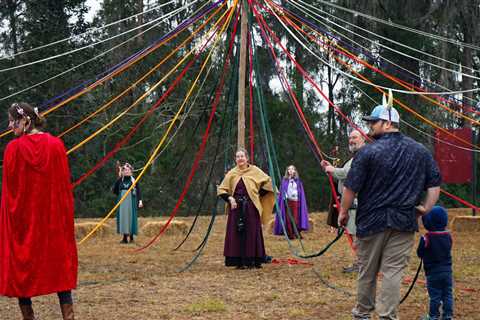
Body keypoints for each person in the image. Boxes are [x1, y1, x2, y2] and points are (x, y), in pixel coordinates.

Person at [338, 94, 442, 320]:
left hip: (371, 222)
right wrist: (425, 208)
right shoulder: (420, 151)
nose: (369, 127)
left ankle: (363, 314)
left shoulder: (367, 152)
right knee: (393, 272)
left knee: (367, 271)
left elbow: (350, 188)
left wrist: (343, 212)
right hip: (404, 221)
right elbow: (435, 184)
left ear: (386, 123)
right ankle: (387, 316)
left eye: (373, 122)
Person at [0, 102, 78, 320]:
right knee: (58, 266)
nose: (9, 125)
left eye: (12, 120)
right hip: (52, 224)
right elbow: (64, 192)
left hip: (25, 225)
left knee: (23, 268)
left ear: (26, 121)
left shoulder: (13, 150)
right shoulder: (56, 145)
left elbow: (10, 196)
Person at [217, 148, 275, 268]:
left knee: (251, 232)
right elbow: (221, 189)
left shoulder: (255, 171)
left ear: (247, 158)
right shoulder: (232, 173)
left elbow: (269, 183)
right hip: (236, 208)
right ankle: (238, 261)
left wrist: (257, 196)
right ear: (235, 159)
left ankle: (252, 260)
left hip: (251, 207)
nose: (240, 159)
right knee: (237, 234)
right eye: (238, 157)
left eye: (242, 156)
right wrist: (230, 198)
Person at [321, 129, 366, 273]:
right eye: (350, 138)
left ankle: (362, 264)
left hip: (358, 204)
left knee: (357, 235)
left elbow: (349, 174)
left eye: (355, 137)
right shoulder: (355, 158)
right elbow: (343, 176)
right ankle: (361, 263)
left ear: (363, 139)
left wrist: (333, 170)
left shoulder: (363, 156)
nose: (351, 140)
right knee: (354, 235)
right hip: (352, 204)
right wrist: (330, 169)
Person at [417, 206, 453, 320]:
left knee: (435, 296)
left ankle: (433, 316)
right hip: (447, 272)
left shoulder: (426, 238)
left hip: (433, 273)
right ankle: (448, 315)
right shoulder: (448, 236)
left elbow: (420, 253)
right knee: (447, 294)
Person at [273, 165, 309, 239]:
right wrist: (284, 195)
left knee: (295, 218)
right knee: (288, 218)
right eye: (289, 169)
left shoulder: (298, 181)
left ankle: (296, 232)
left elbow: (300, 192)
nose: (291, 170)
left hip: (296, 201)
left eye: (292, 169)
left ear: (295, 171)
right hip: (287, 202)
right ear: (287, 171)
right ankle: (290, 234)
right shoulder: (284, 180)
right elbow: (282, 190)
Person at [113, 162, 143, 243]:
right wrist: (118, 179)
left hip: (131, 201)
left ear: (131, 171)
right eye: (124, 170)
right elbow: (115, 191)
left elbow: (138, 191)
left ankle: (132, 237)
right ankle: (125, 238)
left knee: (131, 218)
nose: (126, 171)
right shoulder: (120, 180)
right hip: (122, 202)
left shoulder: (134, 180)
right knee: (123, 219)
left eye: (127, 170)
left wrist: (140, 201)